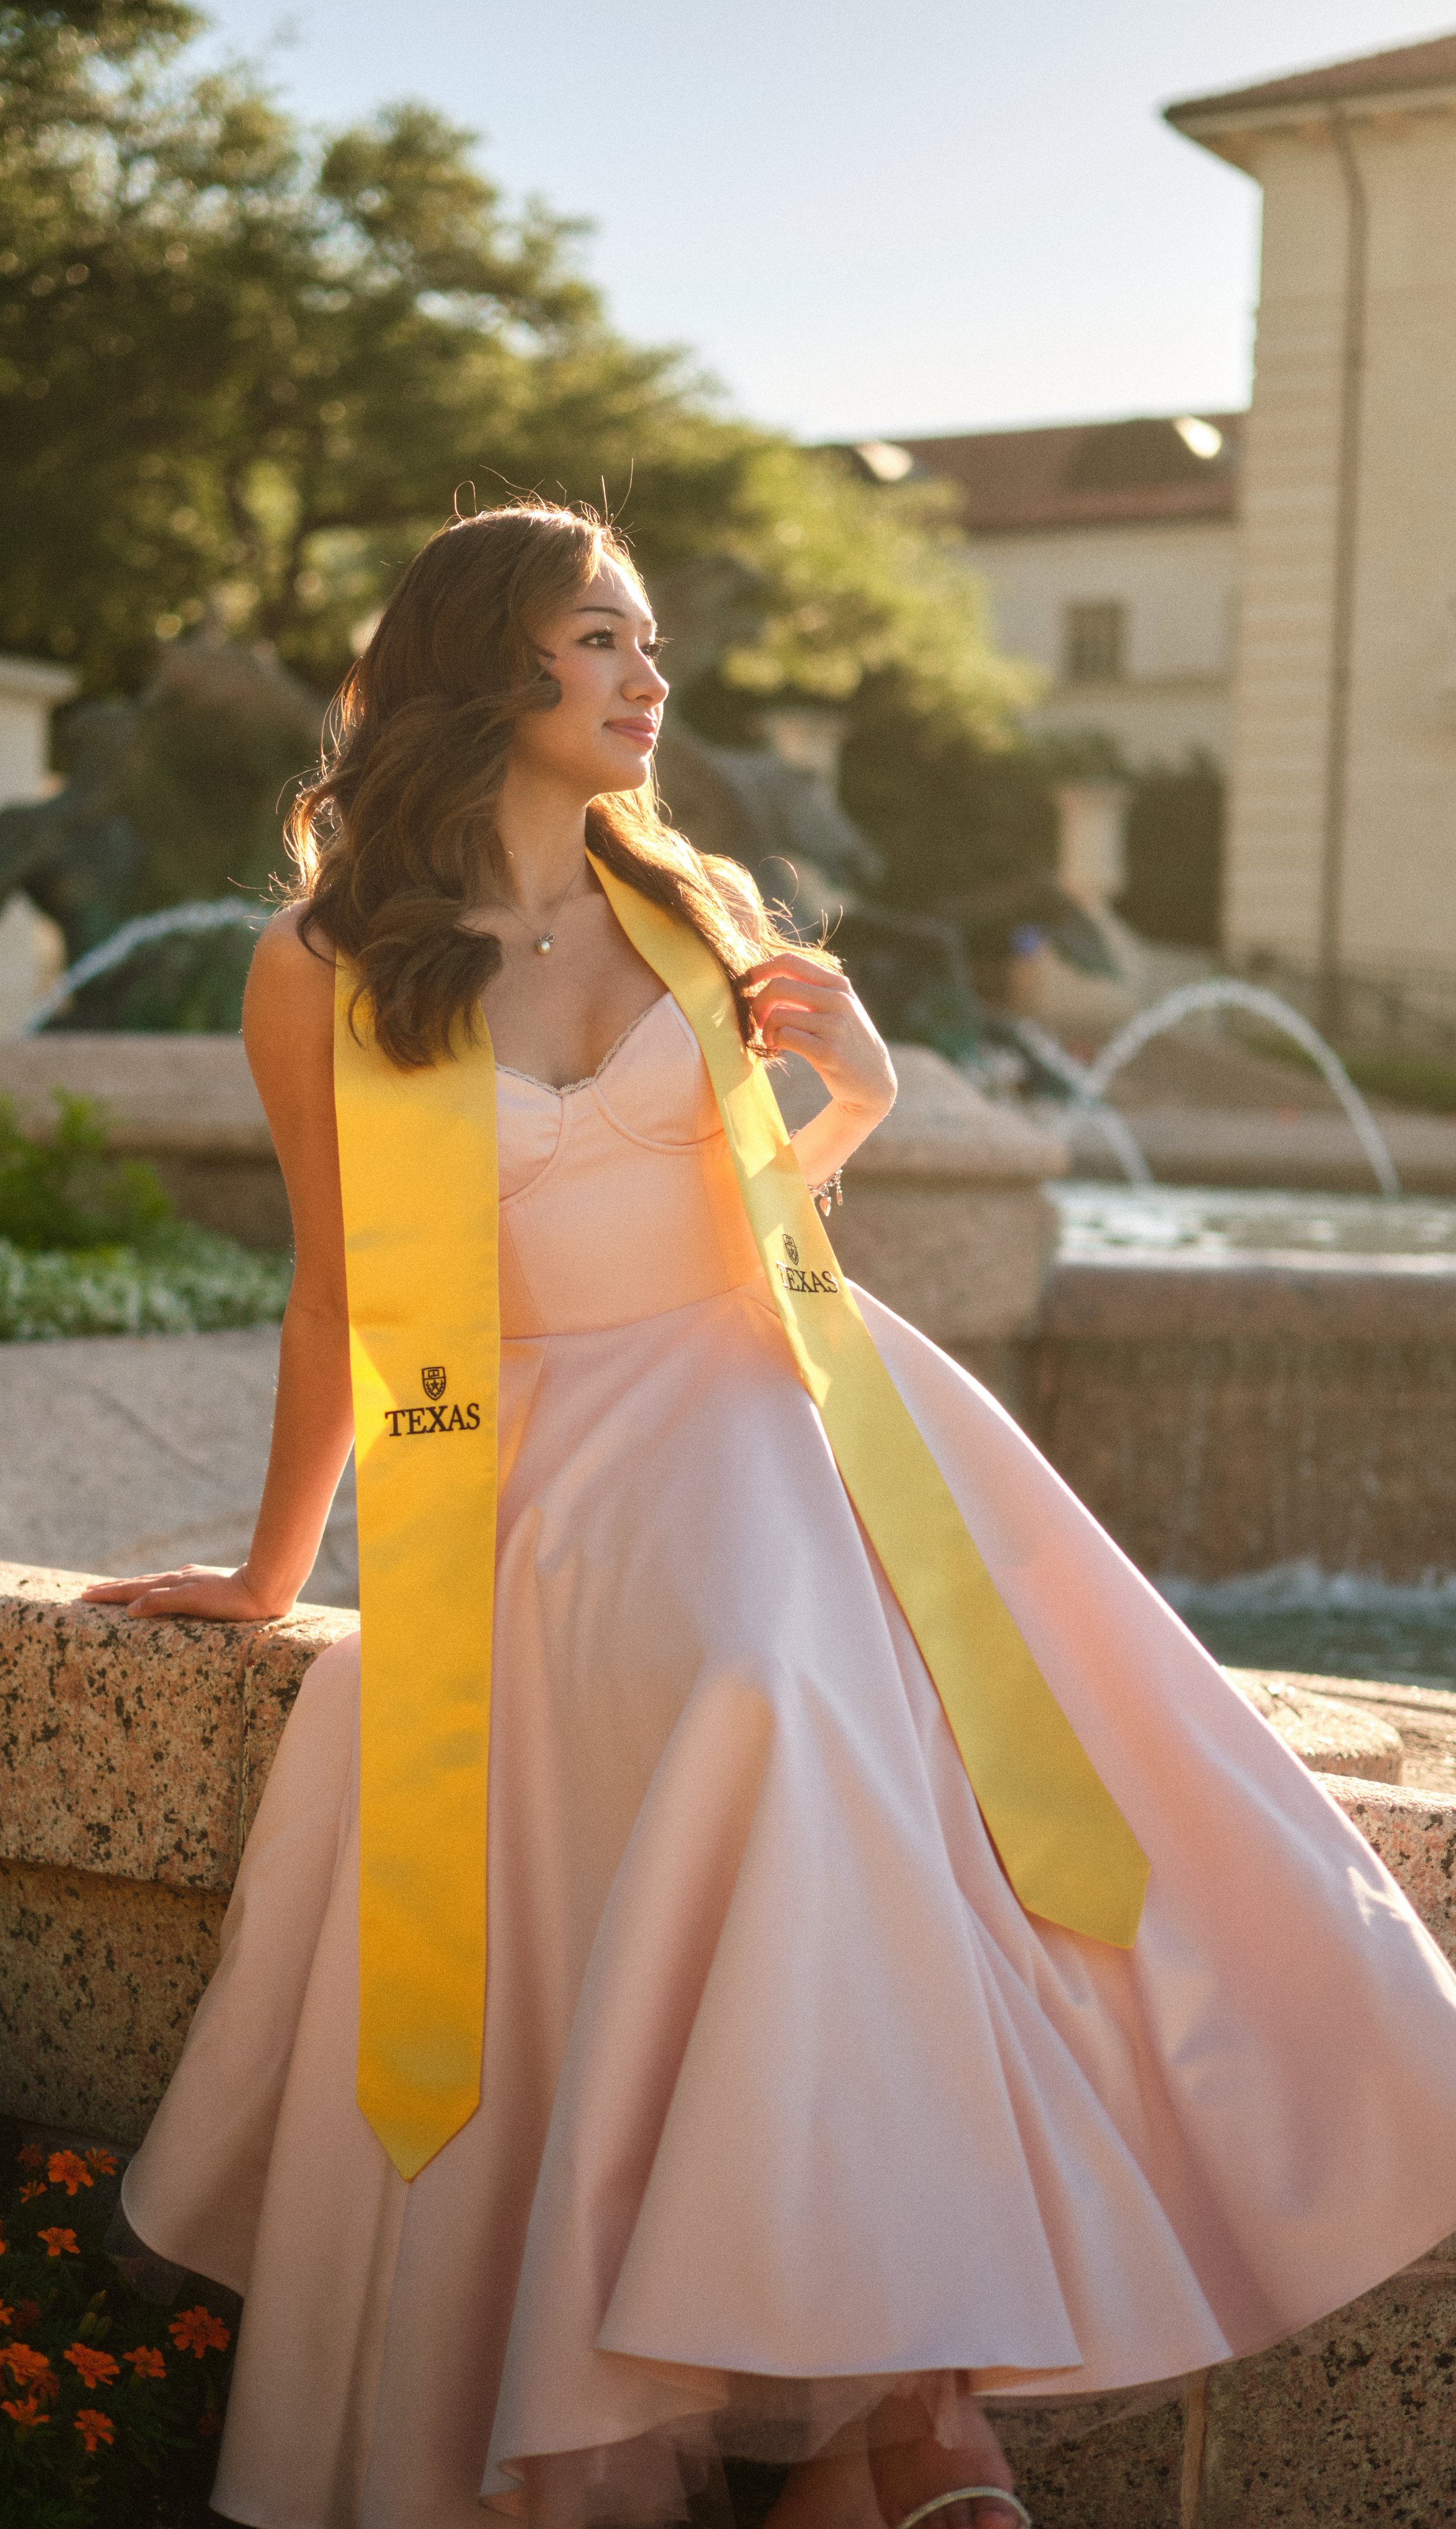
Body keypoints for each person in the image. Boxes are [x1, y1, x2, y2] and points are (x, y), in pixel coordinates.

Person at [83, 502, 1456, 2529]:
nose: (651, 682)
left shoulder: (696, 905)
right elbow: (334, 1292)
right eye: (602, 640)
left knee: (790, 1687)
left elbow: (748, 1210)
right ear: (485, 662)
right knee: (762, 1686)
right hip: (538, 1446)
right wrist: (274, 1569)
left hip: (773, 1395)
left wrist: (862, 1098)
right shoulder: (324, 966)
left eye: (647, 642)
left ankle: (914, 2398)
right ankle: (898, 2428)